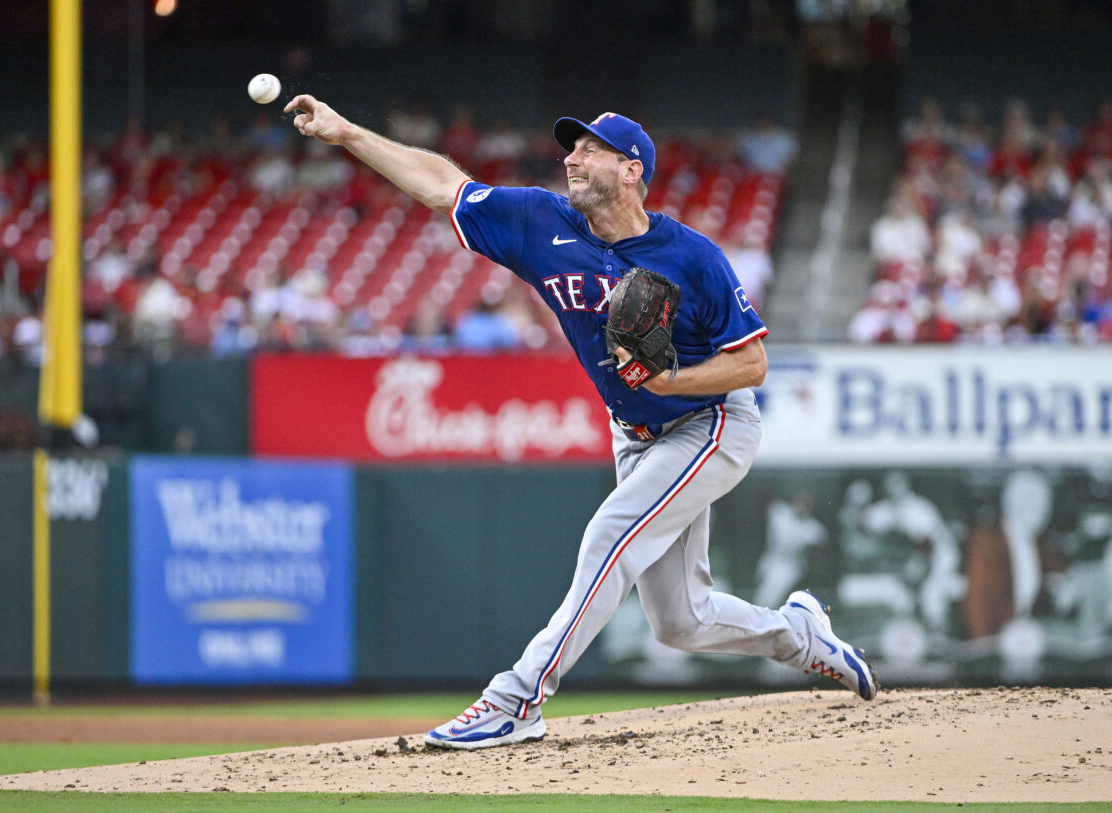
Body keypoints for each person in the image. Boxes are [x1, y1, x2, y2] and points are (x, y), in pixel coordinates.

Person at [285, 95, 878, 750]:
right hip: (637, 434)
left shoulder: (692, 256)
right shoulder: (541, 222)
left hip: (710, 423)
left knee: (609, 533)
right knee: (680, 621)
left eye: (591, 148)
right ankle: (800, 635)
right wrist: (347, 133)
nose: (573, 156)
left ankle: (518, 697)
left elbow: (754, 362)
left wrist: (667, 380)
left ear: (632, 170)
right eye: (573, 147)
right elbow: (442, 187)